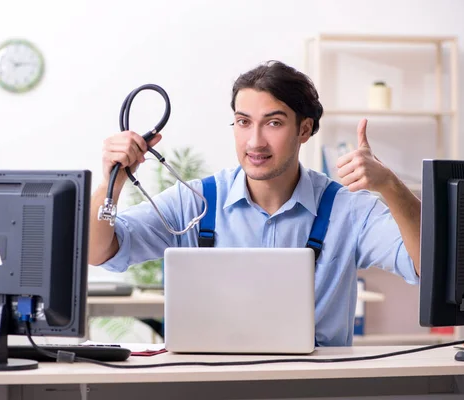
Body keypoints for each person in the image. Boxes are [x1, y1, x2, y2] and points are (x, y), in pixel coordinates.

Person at [88, 60, 421, 346]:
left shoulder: (348, 209)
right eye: (244, 122)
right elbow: (97, 251)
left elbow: (425, 264)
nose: (255, 141)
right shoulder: (195, 202)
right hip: (212, 385)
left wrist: (390, 185)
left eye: (273, 123)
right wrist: (111, 183)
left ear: (304, 129)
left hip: (314, 389)